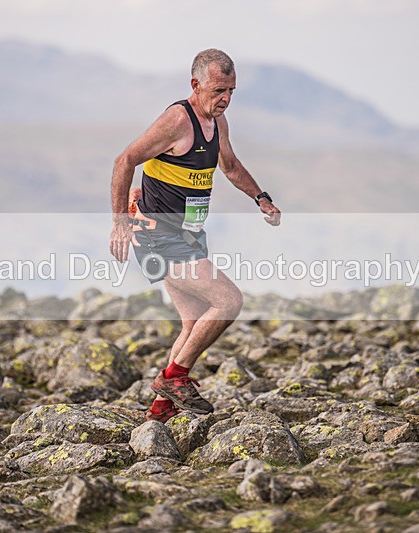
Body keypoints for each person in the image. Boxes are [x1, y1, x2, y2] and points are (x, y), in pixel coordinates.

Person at [109, 49, 281, 423]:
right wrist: (120, 221)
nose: (226, 99)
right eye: (219, 89)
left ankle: (158, 417)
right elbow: (124, 160)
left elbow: (231, 166)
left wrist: (261, 198)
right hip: (157, 237)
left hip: (189, 237)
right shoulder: (177, 120)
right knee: (228, 302)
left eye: (232, 91)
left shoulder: (219, 123)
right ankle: (174, 379)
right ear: (196, 85)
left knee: (193, 323)